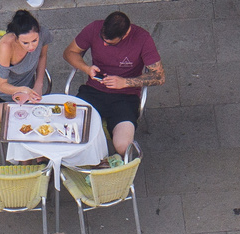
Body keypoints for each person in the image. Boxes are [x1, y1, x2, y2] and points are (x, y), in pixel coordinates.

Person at [62, 11, 164, 156]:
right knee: (70, 133)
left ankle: (118, 172)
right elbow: (69, 52)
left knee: (123, 146)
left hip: (125, 98)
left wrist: (125, 82)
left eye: (110, 42)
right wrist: (86, 68)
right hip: (93, 91)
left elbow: (159, 76)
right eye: (102, 39)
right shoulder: (94, 28)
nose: (104, 44)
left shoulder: (143, 38)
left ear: (126, 34)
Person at [0, 10, 50, 129]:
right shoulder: (6, 46)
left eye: (34, 41)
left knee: (43, 123)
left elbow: (42, 56)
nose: (31, 47)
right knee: (22, 126)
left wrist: (39, 84)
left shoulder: (43, 34)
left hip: (28, 97)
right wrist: (24, 90)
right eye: (25, 43)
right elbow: (1, 85)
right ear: (16, 37)